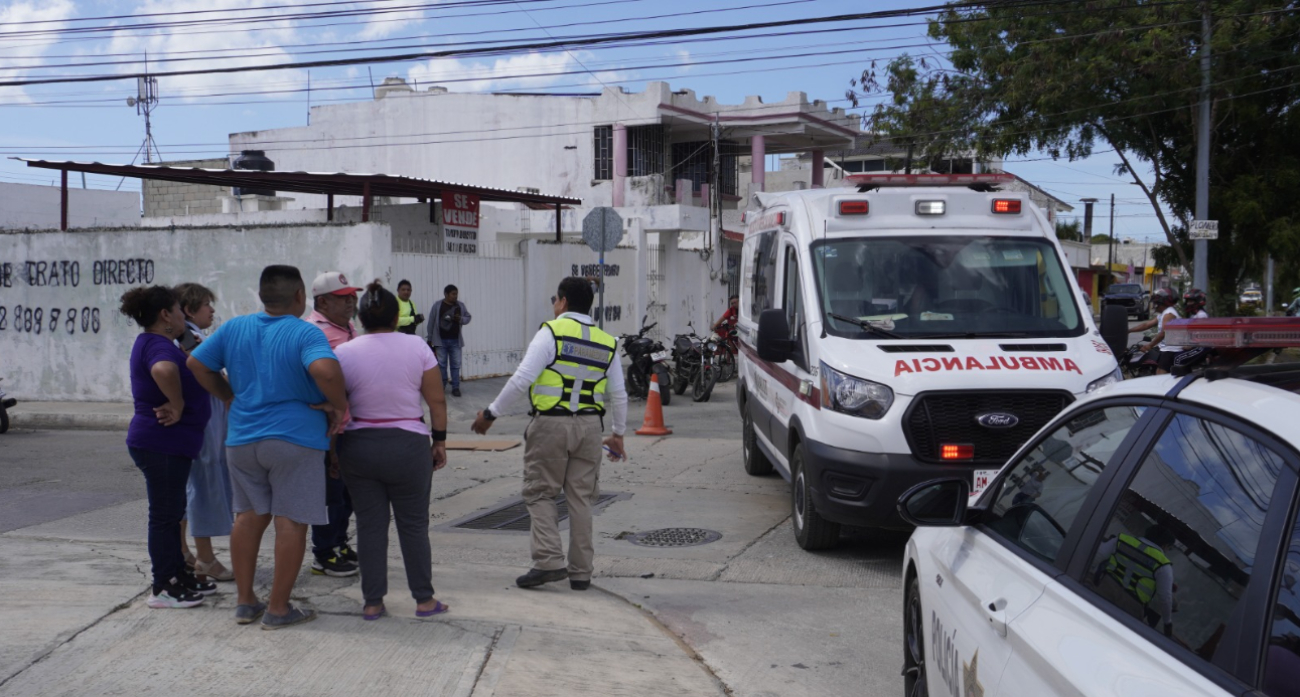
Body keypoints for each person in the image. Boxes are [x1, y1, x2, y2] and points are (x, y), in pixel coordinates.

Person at [188, 265, 349, 630]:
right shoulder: (305, 333)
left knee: (246, 517)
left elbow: (196, 363)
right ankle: (278, 608)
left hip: (242, 439)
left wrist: (229, 395)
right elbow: (325, 371)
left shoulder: (234, 328)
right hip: (295, 439)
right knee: (290, 523)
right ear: (299, 296)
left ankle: (246, 602)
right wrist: (338, 404)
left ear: (262, 295)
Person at [471, 277, 628, 591]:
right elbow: (619, 394)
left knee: (540, 492)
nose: (554, 305)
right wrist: (618, 435)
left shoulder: (551, 333)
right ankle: (581, 573)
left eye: (555, 300)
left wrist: (491, 414)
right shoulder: (607, 342)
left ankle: (548, 562)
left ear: (564, 302)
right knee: (581, 499)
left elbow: (521, 380)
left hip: (550, 425)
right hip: (589, 428)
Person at [335, 281, 451, 620]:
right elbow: (436, 400)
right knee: (413, 525)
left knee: (370, 526)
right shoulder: (417, 347)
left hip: (358, 446)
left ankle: (372, 602)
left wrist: (332, 452)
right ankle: (424, 600)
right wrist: (439, 440)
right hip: (409, 445)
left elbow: (335, 408)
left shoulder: (344, 352)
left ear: (361, 316)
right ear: (397, 314)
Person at [120, 285, 216, 609]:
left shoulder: (161, 342)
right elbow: (164, 370)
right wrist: (176, 403)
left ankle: (178, 574)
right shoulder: (157, 346)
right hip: (160, 444)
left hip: (169, 445)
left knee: (173, 514)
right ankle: (164, 586)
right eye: (178, 310)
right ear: (165, 315)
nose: (182, 315)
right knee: (164, 517)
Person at [173, 282, 235, 583]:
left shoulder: (188, 335)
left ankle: (184, 551)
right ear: (188, 309)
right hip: (204, 418)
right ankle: (206, 558)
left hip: (203, 416)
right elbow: (209, 371)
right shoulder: (188, 336)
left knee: (191, 486)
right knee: (203, 482)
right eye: (206, 305)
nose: (212, 310)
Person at [306, 271, 363, 578]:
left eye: (353, 296)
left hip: (351, 424)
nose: (352, 302)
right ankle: (323, 553)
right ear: (323, 302)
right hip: (328, 428)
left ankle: (339, 542)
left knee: (348, 494)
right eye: (344, 298)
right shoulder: (314, 332)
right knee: (331, 493)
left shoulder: (348, 327)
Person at [1093, 524, 1176, 637]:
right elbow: (1165, 598)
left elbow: (1097, 556)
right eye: (1169, 548)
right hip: (1130, 610)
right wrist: (1167, 623)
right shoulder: (1163, 565)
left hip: (1103, 592)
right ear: (1166, 545)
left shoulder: (1121, 540)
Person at [427, 284, 472, 398]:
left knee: (455, 365)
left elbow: (468, 317)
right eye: (453, 294)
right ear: (446, 294)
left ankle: (455, 387)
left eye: (456, 294)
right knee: (441, 365)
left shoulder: (460, 306)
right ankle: (442, 386)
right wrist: (430, 339)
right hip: (440, 341)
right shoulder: (438, 305)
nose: (455, 296)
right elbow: (431, 322)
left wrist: (460, 319)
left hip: (455, 341)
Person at [1132, 288, 1182, 374]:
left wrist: (1150, 345)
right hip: (1164, 348)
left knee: (1160, 374)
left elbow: (1163, 333)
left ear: (1161, 302)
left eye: (1155, 303)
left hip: (1171, 350)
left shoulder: (1169, 314)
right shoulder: (1164, 314)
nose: (1154, 305)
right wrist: (1128, 330)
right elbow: (1146, 325)